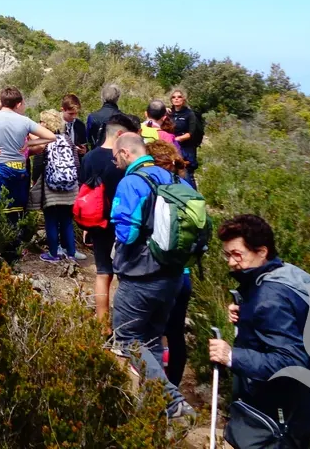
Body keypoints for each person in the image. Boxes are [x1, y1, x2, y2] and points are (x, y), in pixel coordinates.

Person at [209, 215, 310, 448]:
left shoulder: (271, 297)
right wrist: (247, 315)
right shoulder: (284, 274)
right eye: (227, 254)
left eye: (237, 254)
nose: (230, 262)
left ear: (262, 251)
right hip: (306, 400)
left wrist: (231, 356)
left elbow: (291, 362)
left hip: (285, 411)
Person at [110, 132, 194, 419]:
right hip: (174, 275)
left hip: (141, 275)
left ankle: (172, 401)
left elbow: (127, 233)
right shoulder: (177, 180)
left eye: (116, 157)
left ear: (125, 153)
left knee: (126, 338)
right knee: (152, 340)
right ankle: (154, 409)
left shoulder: (132, 182)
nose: (115, 162)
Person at [0, 87, 56, 252]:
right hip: (19, 168)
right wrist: (29, 143)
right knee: (16, 210)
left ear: (1, 101)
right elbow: (51, 137)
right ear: (18, 103)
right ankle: (14, 248)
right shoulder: (25, 121)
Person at [78, 114, 138, 322]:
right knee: (126, 275)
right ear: (120, 134)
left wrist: (86, 226)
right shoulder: (127, 158)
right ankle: (125, 322)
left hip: (98, 221)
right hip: (125, 222)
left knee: (103, 272)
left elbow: (84, 191)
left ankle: (102, 324)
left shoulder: (89, 157)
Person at [144, 140, 193, 387]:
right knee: (176, 334)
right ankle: (174, 385)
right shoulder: (187, 186)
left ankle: (154, 389)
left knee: (150, 332)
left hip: (155, 272)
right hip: (183, 271)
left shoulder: (150, 185)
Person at [33, 110, 80, 262]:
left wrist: (35, 181)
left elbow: (38, 164)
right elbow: (76, 163)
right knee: (66, 220)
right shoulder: (67, 139)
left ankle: (53, 254)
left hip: (50, 187)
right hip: (70, 187)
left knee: (51, 220)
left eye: (42, 121)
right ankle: (71, 253)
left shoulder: (44, 142)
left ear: (46, 124)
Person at [168, 88, 202, 187]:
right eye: (174, 97)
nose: (176, 99)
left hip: (186, 149)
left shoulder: (189, 114)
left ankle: (192, 195)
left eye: (179, 97)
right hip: (172, 148)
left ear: (184, 99)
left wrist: (177, 139)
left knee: (187, 174)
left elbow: (190, 133)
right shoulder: (169, 113)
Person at [85, 84, 125, 148]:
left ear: (102, 97)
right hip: (116, 151)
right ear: (117, 98)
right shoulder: (123, 117)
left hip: (97, 151)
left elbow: (88, 138)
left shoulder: (92, 117)